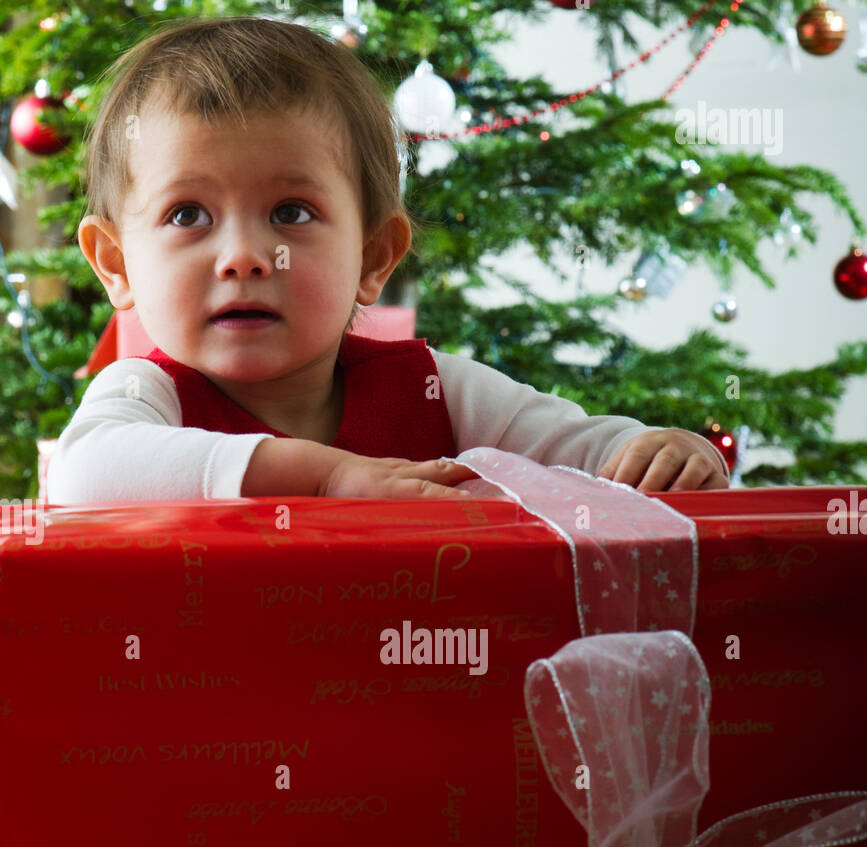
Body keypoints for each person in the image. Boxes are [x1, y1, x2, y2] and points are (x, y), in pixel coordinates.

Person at [47, 16, 730, 506]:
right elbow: (83, 475)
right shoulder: (146, 398)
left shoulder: (438, 393)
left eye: (290, 213)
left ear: (374, 257)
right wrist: (322, 476)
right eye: (187, 215)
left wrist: (656, 453)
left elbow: (585, 454)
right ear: (117, 264)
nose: (246, 257)